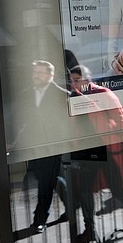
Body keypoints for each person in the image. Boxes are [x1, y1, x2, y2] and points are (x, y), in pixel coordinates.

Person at [68, 65, 123, 243]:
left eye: (77, 80)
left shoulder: (103, 93)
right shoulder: (74, 98)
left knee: (119, 190)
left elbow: (122, 119)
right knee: (85, 190)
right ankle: (90, 230)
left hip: (109, 149)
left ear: (87, 80)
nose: (74, 84)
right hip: (88, 151)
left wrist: (121, 144)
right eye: (72, 81)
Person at [21, 60, 71, 233]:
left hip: (53, 149)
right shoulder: (27, 94)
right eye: (34, 72)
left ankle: (39, 219)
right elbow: (25, 121)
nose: (36, 75)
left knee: (45, 183)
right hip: (36, 148)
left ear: (50, 76)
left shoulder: (61, 95)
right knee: (54, 181)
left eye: (40, 72)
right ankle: (72, 208)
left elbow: (66, 124)